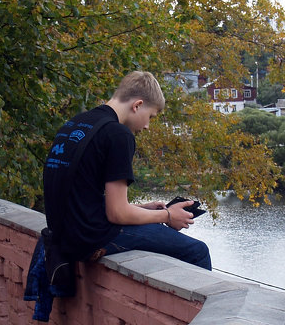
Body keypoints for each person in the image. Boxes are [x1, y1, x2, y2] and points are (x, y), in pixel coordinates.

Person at [43, 71, 211, 271]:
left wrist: (142, 209)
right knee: (198, 251)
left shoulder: (75, 124)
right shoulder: (119, 135)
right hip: (89, 238)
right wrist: (167, 216)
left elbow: (80, 193)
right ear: (137, 105)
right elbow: (117, 214)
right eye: (150, 116)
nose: (147, 126)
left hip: (63, 234)